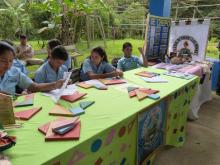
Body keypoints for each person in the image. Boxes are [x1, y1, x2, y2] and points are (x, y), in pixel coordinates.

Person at [0, 41, 64, 96]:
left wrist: (55, 85)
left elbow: (34, 86)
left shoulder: (14, 72)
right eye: (3, 60)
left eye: (11, 61)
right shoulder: (42, 70)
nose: (8, 65)